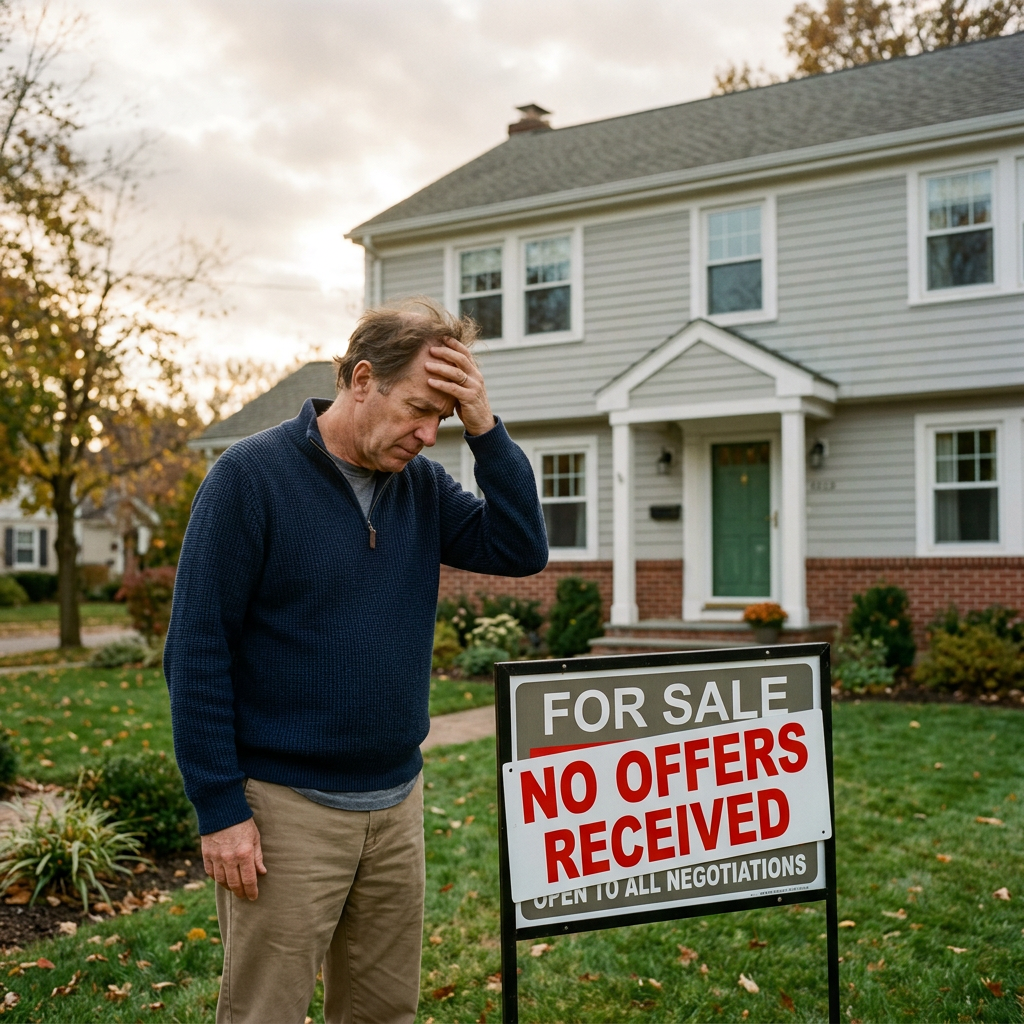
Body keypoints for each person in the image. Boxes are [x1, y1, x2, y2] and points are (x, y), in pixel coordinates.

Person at [163, 299, 548, 1024]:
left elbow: (521, 548)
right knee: (264, 1014)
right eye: (419, 409)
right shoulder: (250, 478)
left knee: (381, 1014)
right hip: (284, 810)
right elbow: (196, 651)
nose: (429, 435)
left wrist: (486, 427)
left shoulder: (423, 488)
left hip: (395, 804)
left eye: (445, 417)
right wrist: (220, 811)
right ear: (363, 379)